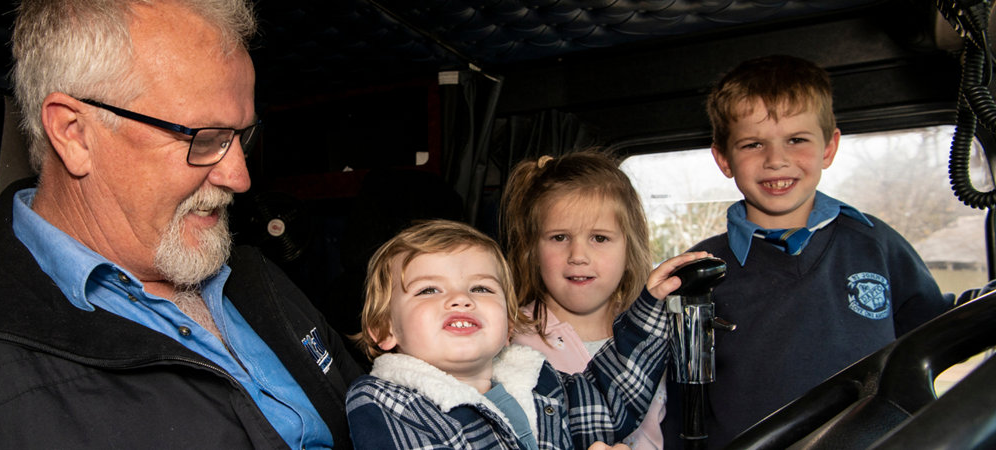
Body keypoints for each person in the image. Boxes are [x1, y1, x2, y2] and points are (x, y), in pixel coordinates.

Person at [0, 1, 363, 448]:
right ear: (73, 132)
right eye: (205, 139)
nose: (239, 176)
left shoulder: (252, 272)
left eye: (241, 136)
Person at [661, 55, 953, 449]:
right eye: (753, 144)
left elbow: (935, 336)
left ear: (829, 147)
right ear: (724, 159)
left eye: (796, 140)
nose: (776, 160)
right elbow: (679, 400)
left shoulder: (876, 244)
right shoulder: (699, 271)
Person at [345, 219, 709, 450]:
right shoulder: (384, 402)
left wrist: (651, 307)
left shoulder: (537, 383)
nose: (461, 300)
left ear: (507, 327)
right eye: (428, 290)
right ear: (383, 329)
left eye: (482, 289)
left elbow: (609, 398)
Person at [502, 151, 668, 450]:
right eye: (559, 238)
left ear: (630, 249)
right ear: (532, 250)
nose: (578, 256)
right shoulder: (511, 340)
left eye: (600, 238)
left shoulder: (653, 331)